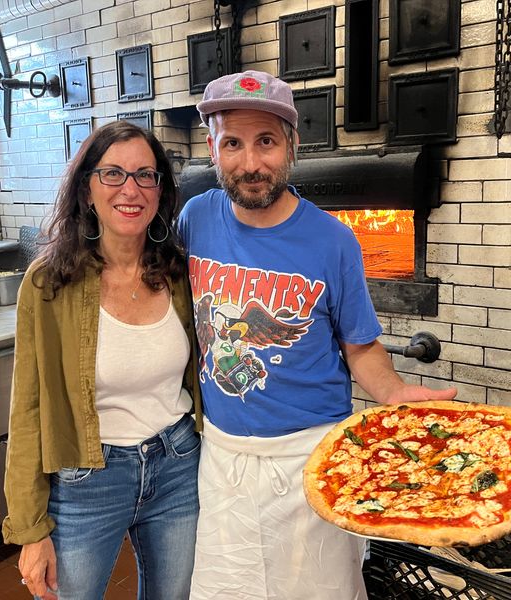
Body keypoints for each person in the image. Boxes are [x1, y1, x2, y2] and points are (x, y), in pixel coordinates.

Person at [177, 70, 458, 600]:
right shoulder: (196, 218)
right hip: (221, 457)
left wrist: (395, 391)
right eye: (232, 143)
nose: (250, 163)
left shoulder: (334, 240)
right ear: (212, 148)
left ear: (292, 145)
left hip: (312, 456)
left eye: (266, 141)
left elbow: (360, 345)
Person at [3, 120, 202, 600]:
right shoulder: (48, 284)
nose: (130, 189)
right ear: (86, 190)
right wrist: (30, 527)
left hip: (178, 466)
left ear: (159, 191)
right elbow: (27, 408)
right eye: (113, 173)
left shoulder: (180, 272)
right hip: (85, 479)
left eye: (145, 175)